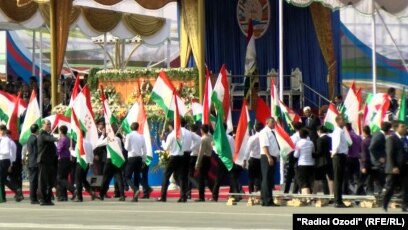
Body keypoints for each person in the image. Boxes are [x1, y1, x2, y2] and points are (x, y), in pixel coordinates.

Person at [383, 121, 408, 212]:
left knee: (406, 187)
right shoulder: (391, 139)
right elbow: (389, 154)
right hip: (395, 168)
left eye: (405, 126)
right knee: (391, 187)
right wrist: (393, 166)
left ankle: (405, 206)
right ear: (396, 128)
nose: (405, 128)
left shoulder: (405, 139)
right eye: (402, 126)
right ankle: (385, 204)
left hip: (405, 167)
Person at [157, 122, 185, 202]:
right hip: (181, 156)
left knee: (166, 175)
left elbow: (166, 148)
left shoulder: (171, 135)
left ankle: (163, 196)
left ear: (171, 126)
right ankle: (183, 196)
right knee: (179, 177)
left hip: (174, 157)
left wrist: (162, 140)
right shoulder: (181, 134)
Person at [97, 127, 126, 201]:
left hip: (110, 160)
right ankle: (122, 195)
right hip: (117, 159)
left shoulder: (108, 138)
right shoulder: (118, 139)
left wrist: (102, 135)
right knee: (119, 177)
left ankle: (101, 194)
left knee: (105, 178)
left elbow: (98, 144)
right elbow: (121, 149)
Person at [212, 124, 236, 202]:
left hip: (222, 159)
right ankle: (233, 195)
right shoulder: (230, 137)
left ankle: (215, 196)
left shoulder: (219, 138)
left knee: (218, 179)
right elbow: (233, 148)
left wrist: (213, 146)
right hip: (230, 159)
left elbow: (217, 150)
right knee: (232, 178)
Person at [259, 117, 280, 206]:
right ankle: (267, 200)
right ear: (266, 122)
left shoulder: (272, 132)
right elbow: (265, 146)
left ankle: (266, 199)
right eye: (272, 122)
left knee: (269, 179)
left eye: (274, 122)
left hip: (272, 156)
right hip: (267, 156)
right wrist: (269, 157)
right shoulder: (264, 132)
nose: (273, 123)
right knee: (266, 178)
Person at [37, 120, 58, 206]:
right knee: (43, 181)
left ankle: (48, 199)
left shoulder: (48, 134)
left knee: (49, 181)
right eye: (47, 124)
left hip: (49, 161)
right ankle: (42, 199)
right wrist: (57, 138)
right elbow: (49, 139)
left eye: (50, 124)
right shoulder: (42, 134)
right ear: (43, 125)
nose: (49, 126)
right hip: (43, 161)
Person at [124, 122, 146, 202]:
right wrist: (144, 159)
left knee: (127, 176)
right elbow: (144, 149)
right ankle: (135, 197)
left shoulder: (129, 135)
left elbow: (126, 148)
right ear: (138, 128)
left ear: (131, 128)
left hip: (132, 157)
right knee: (137, 176)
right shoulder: (141, 136)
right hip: (139, 158)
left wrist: (124, 142)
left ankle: (135, 190)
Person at [73, 130, 96, 202]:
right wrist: (91, 162)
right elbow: (92, 154)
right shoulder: (89, 143)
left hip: (80, 163)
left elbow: (77, 155)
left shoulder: (79, 143)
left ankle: (79, 197)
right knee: (83, 180)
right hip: (87, 163)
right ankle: (91, 192)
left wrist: (70, 150)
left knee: (78, 180)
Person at [331, 115, 349, 208]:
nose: (344, 121)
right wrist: (334, 153)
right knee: (338, 179)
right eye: (343, 120)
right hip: (338, 156)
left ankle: (339, 200)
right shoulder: (338, 131)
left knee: (340, 179)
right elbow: (337, 144)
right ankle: (337, 201)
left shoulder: (341, 131)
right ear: (338, 121)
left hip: (341, 156)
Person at [368, 122, 391, 195]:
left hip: (377, 160)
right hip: (377, 161)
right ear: (388, 130)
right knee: (381, 176)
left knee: (377, 177)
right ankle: (381, 191)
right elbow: (371, 148)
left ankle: (380, 191)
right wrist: (379, 158)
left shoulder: (378, 134)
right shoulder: (379, 136)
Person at [194, 124, 213, 202]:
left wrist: (197, 163)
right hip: (209, 157)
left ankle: (201, 197)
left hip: (204, 158)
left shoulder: (203, 139)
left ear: (202, 130)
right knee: (206, 177)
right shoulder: (211, 137)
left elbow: (201, 152)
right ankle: (214, 192)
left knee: (202, 178)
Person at [56, 125, 75, 201]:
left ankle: (73, 189)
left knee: (60, 178)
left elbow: (58, 150)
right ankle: (63, 196)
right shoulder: (68, 139)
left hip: (62, 159)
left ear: (60, 131)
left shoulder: (62, 139)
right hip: (68, 159)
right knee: (64, 177)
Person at [284, 122, 304, 194]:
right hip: (301, 155)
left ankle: (286, 190)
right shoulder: (304, 136)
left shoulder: (294, 137)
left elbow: (290, 146)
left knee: (290, 174)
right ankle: (298, 190)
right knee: (298, 174)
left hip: (293, 155)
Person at [244, 122, 263, 194]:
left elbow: (248, 149)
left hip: (253, 159)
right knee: (259, 176)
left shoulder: (252, 138)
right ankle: (258, 190)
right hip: (261, 158)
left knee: (251, 176)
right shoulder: (264, 138)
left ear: (255, 129)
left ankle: (251, 192)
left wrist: (245, 159)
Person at [294, 129, 315, 194]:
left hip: (302, 164)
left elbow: (296, 155)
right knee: (309, 182)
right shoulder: (311, 143)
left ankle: (306, 198)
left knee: (304, 183)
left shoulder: (298, 143)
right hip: (311, 164)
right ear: (307, 135)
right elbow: (313, 152)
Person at [313, 126, 333, 195]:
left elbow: (319, 152)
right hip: (329, 160)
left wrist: (312, 154)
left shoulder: (320, 139)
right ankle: (331, 194)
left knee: (318, 178)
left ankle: (314, 194)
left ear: (319, 131)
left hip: (321, 162)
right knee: (330, 178)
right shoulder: (330, 138)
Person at [343, 123, 362, 195]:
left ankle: (346, 193)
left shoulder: (347, 137)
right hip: (356, 159)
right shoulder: (357, 136)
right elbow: (360, 148)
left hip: (348, 158)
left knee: (347, 177)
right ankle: (357, 193)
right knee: (356, 177)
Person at [0, 125, 16, 202]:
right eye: (0, 130)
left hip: (4, 160)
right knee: (2, 180)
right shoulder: (1, 139)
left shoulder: (7, 140)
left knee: (2, 180)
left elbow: (7, 151)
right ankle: (2, 196)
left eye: (3, 130)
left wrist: (11, 164)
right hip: (1, 160)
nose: (2, 132)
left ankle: (2, 197)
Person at [356, 126, 372, 195]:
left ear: (364, 132)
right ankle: (369, 194)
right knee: (370, 181)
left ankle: (357, 197)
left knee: (361, 181)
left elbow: (364, 155)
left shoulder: (364, 142)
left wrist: (363, 166)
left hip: (366, 164)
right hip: (372, 163)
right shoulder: (372, 140)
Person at [26, 124, 40, 204]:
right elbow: (36, 151)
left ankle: (33, 197)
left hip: (31, 161)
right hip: (35, 162)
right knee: (34, 181)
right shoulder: (35, 139)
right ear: (37, 130)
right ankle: (33, 198)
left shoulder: (29, 138)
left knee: (33, 181)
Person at [187, 124, 201, 199]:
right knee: (190, 175)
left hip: (191, 156)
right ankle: (188, 193)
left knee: (189, 175)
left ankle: (197, 186)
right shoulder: (199, 137)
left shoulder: (190, 137)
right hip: (197, 156)